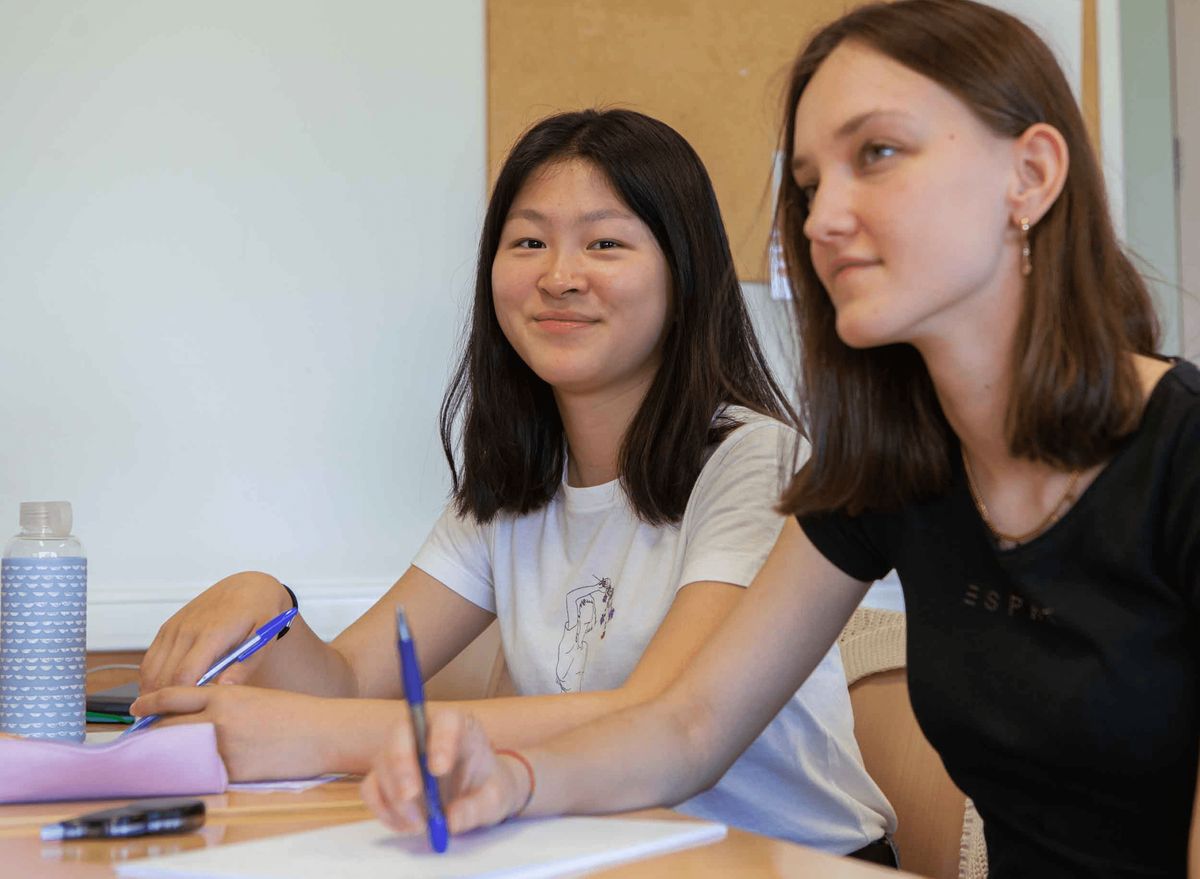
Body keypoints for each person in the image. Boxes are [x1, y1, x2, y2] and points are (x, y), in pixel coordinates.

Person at [359, 3, 1200, 877]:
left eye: (876, 154)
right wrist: (515, 779)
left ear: (1030, 174)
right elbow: (690, 723)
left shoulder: (1180, 453)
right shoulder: (892, 460)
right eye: (807, 183)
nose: (823, 218)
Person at [131, 108, 897, 859]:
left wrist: (314, 736)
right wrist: (266, 598)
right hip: (602, 847)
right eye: (528, 241)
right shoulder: (516, 481)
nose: (559, 277)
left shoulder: (754, 461)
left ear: (684, 272)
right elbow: (350, 679)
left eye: (605, 243)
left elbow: (662, 715)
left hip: (783, 859)